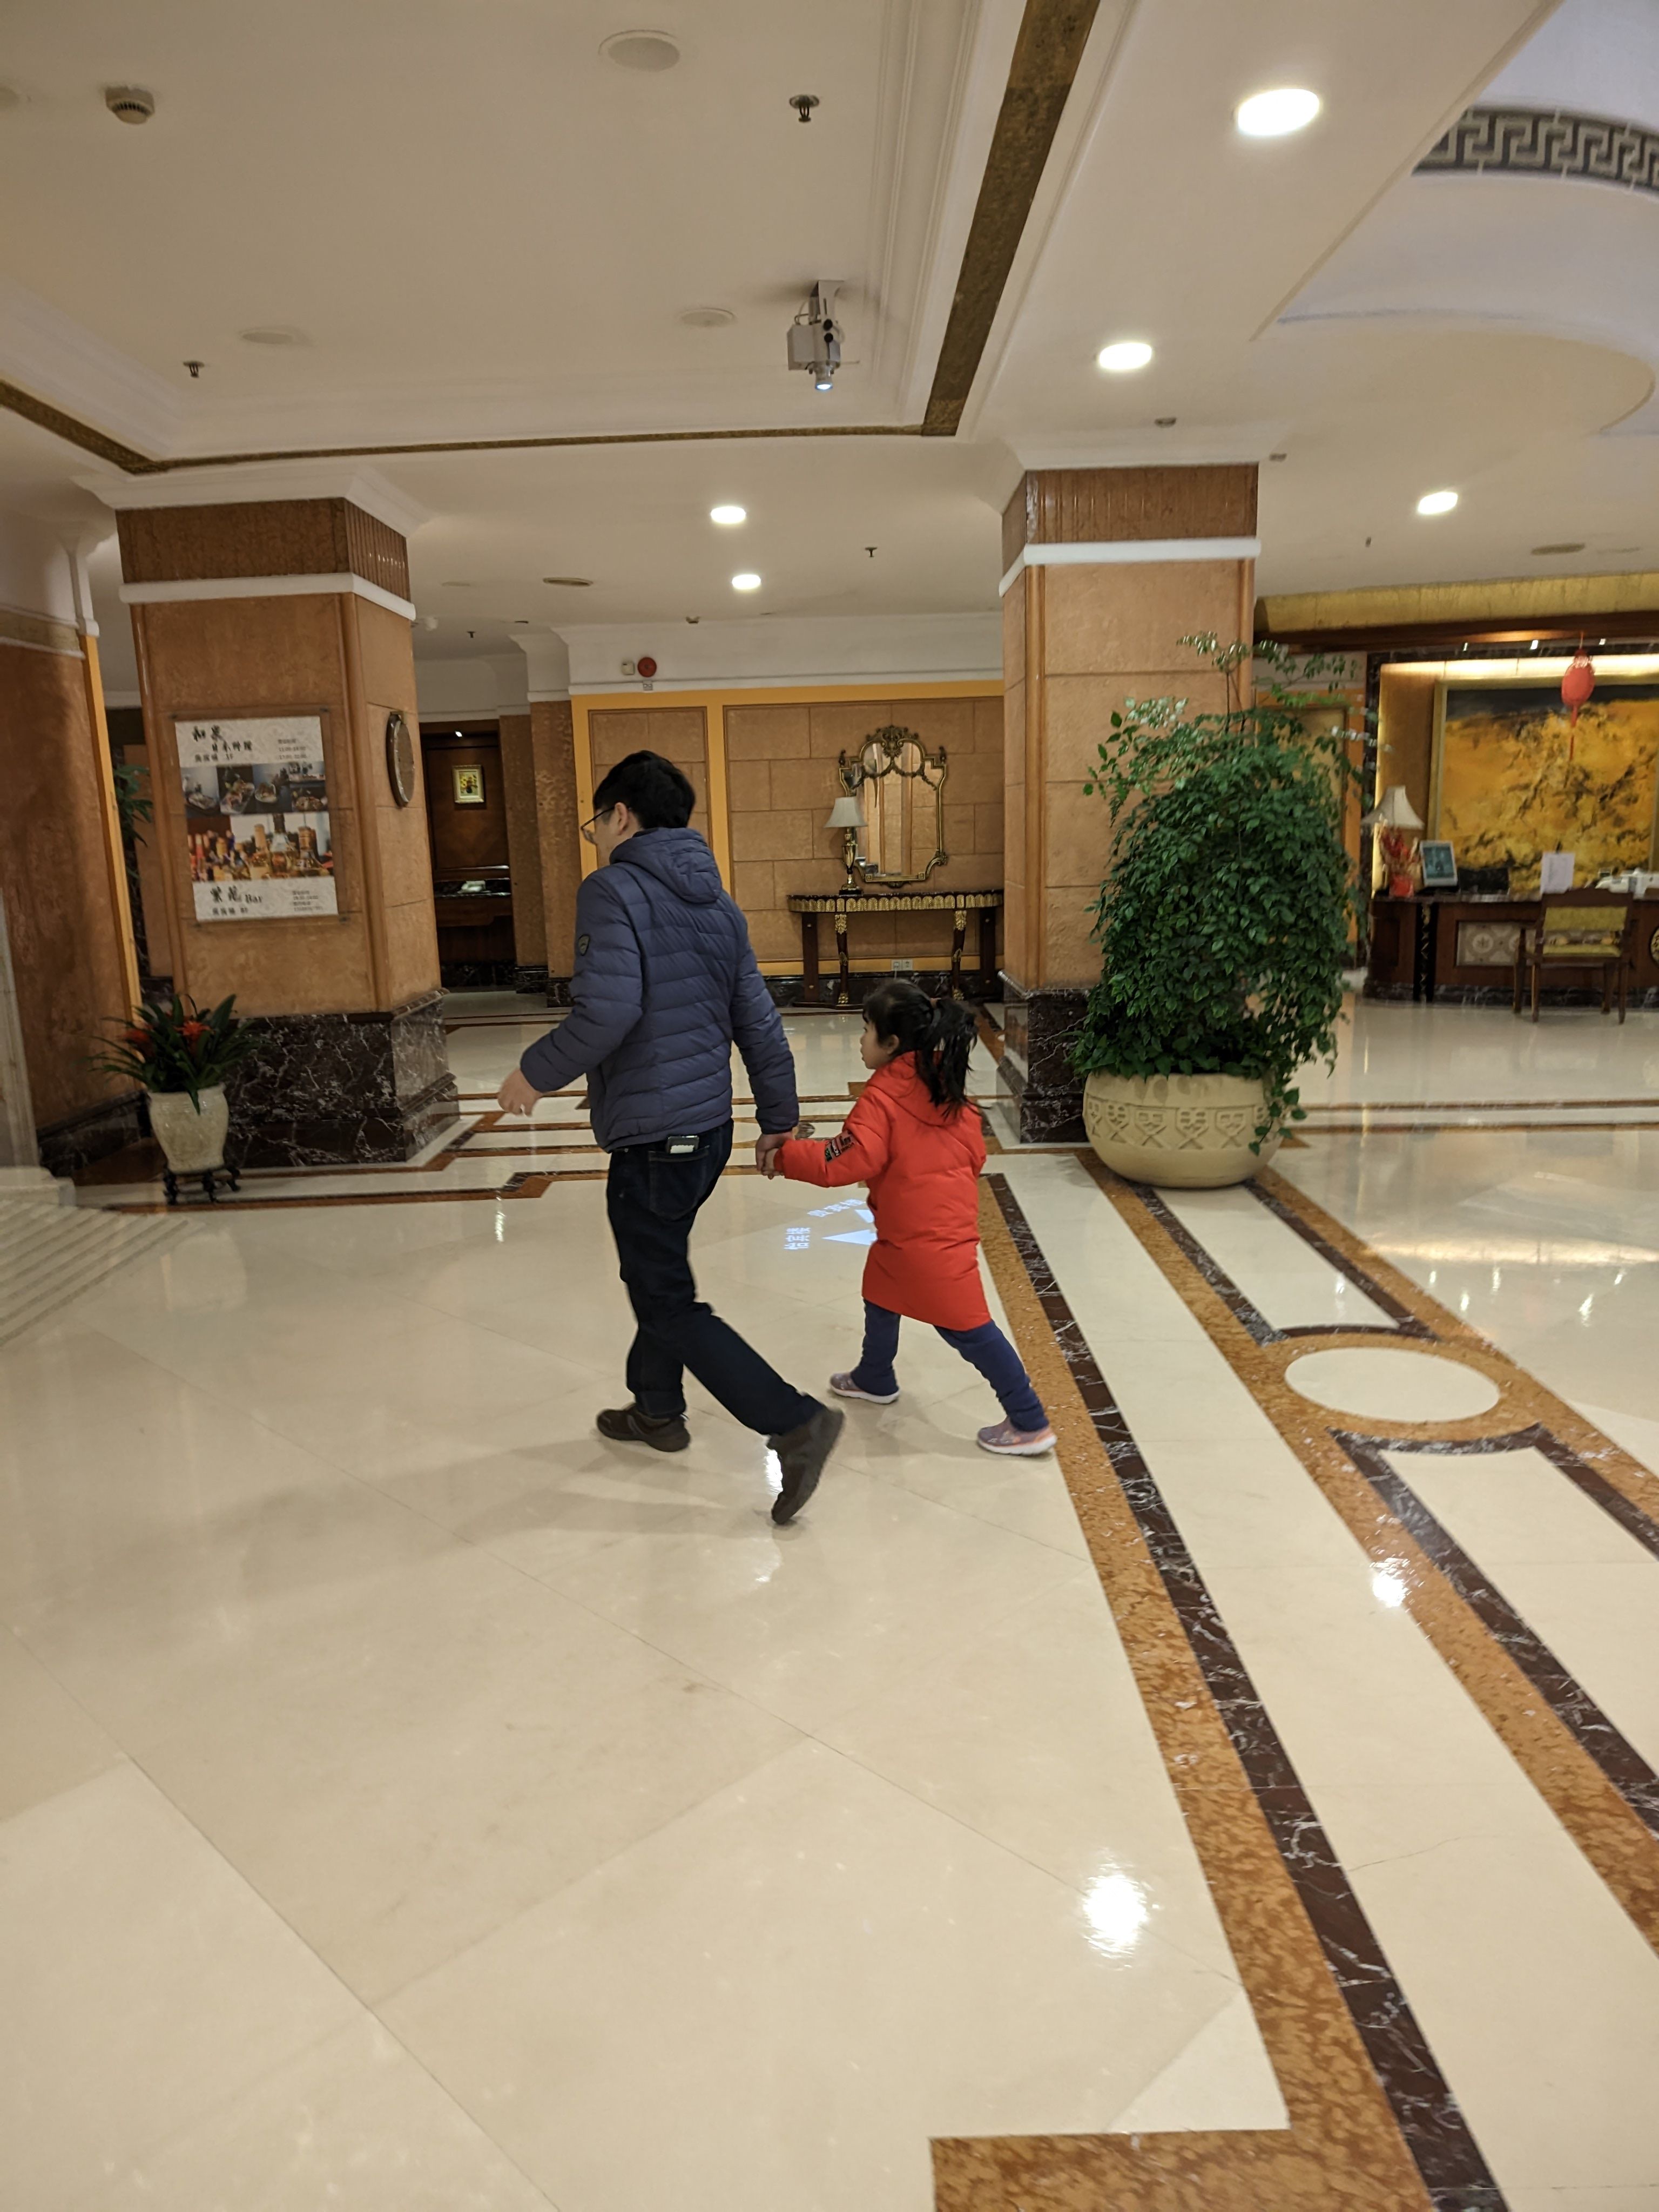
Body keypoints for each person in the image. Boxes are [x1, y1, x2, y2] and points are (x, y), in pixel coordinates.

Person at [497, 750, 842, 1525]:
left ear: (621, 815)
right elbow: (759, 1021)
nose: (596, 836)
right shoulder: (719, 904)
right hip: (707, 1131)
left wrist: (534, 1074)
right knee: (657, 1269)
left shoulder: (611, 889)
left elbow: (607, 1011)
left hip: (655, 1136)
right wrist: (777, 1120)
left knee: (664, 1294)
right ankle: (656, 1407)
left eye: (596, 821)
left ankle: (794, 1422)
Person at [762, 980, 1056, 1456]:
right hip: (921, 1227)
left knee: (969, 1329)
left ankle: (1030, 1420)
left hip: (927, 1239)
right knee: (881, 1291)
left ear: (892, 1043)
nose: (861, 1041)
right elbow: (975, 1155)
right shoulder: (944, 1086)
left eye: (867, 1031)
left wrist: (784, 1156)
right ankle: (874, 1376)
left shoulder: (883, 1099)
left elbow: (844, 1161)